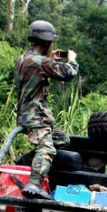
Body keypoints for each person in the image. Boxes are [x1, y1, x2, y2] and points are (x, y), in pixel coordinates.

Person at [15, 20, 79, 199]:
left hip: (26, 115)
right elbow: (68, 74)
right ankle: (34, 183)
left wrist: (50, 60)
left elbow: (37, 72)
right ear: (47, 42)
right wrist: (72, 59)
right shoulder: (40, 62)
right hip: (36, 117)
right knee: (47, 149)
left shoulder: (23, 59)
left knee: (62, 139)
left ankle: (25, 161)